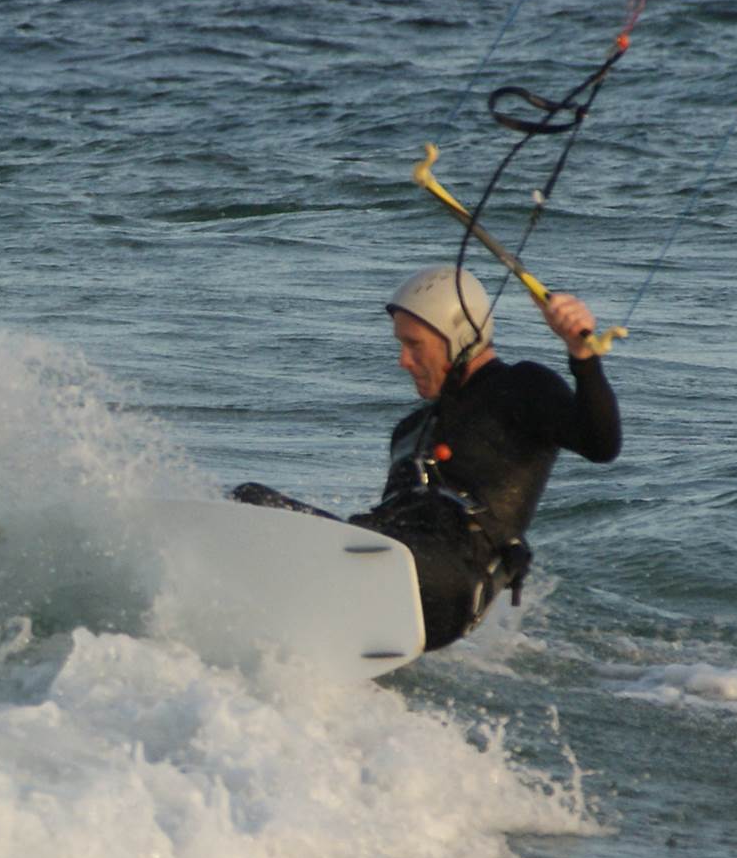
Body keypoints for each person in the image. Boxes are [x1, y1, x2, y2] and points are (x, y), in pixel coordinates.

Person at [234, 266, 621, 649]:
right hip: (386, 557)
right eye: (401, 345)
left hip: (451, 581)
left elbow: (601, 443)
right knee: (250, 501)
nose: (403, 360)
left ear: (459, 337)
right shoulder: (410, 430)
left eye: (414, 344)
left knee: (372, 553)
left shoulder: (522, 388)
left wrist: (582, 357)